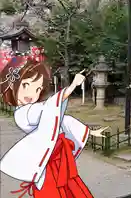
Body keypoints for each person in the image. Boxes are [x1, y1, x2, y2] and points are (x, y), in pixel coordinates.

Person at [0, 52, 107, 198]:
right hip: (46, 162)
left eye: (38, 89)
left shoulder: (39, 109)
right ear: (11, 86)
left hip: (58, 157)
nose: (32, 93)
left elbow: (62, 119)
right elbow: (49, 107)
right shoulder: (23, 113)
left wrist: (90, 132)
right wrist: (72, 86)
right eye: (26, 85)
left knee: (71, 189)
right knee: (53, 192)